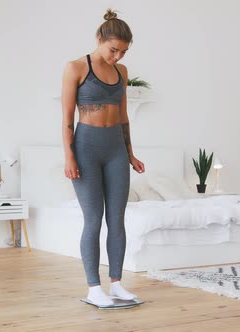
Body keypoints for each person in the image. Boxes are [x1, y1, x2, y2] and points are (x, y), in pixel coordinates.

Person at [61, 9, 145, 306]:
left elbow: (123, 117)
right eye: (113, 49)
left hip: (116, 151)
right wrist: (69, 157)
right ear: (99, 39)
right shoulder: (76, 67)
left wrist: (131, 154)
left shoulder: (121, 73)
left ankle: (117, 284)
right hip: (86, 149)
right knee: (93, 220)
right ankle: (93, 288)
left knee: (118, 220)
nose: (117, 57)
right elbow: (67, 118)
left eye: (123, 51)